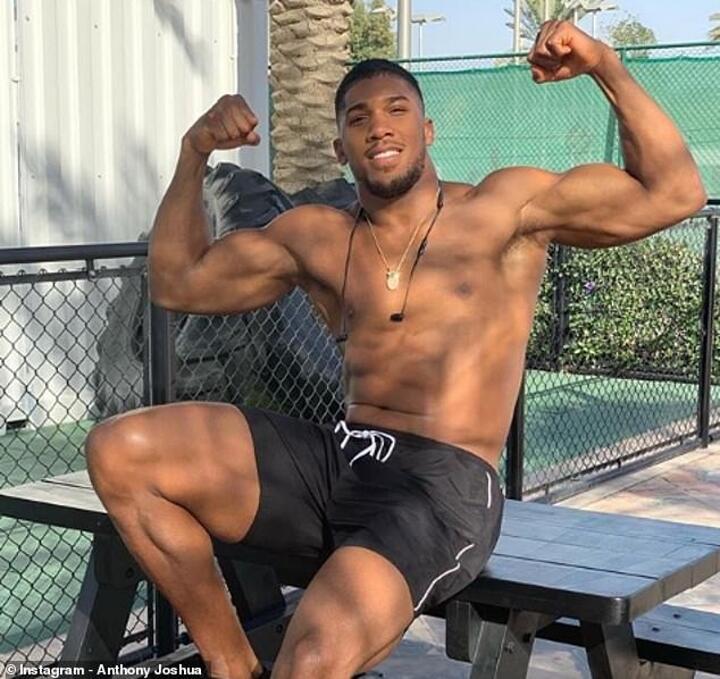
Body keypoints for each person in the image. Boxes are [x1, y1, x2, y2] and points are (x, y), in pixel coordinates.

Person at [85, 20, 705, 679]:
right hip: (341, 458)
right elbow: (179, 282)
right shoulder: (317, 236)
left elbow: (674, 193)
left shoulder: (503, 209)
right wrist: (194, 153)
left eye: (396, 110)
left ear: (427, 130)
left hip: (442, 486)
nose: (379, 127)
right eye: (359, 118)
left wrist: (604, 63)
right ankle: (231, 663)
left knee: (312, 659)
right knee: (121, 450)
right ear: (340, 147)